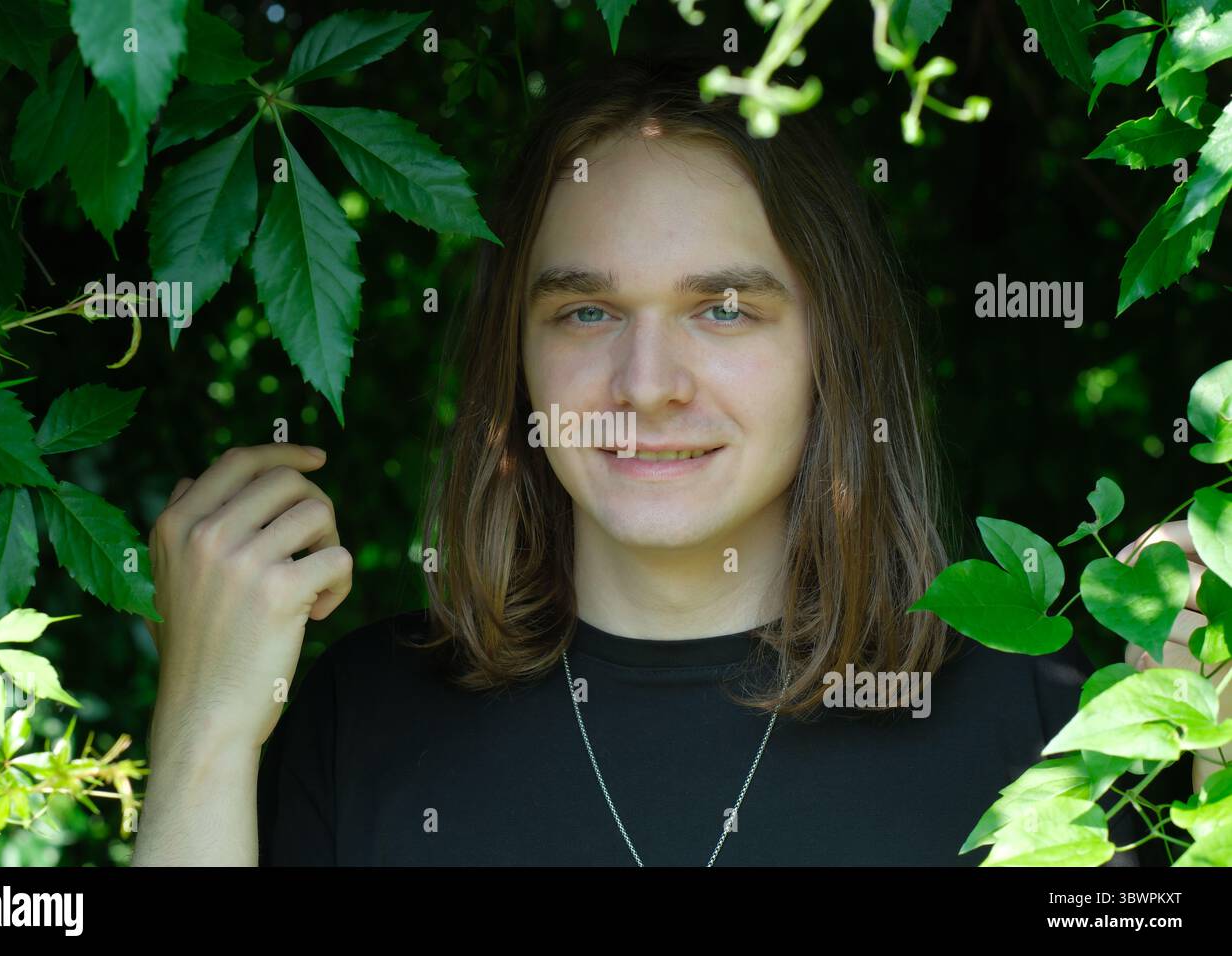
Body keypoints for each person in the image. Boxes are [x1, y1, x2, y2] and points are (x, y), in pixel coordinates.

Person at [131, 55, 1203, 867]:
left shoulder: (1058, 719)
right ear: (517, 354)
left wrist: (1211, 766)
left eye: (724, 308)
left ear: (836, 343)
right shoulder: (358, 721)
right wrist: (201, 728)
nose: (646, 383)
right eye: (586, 309)